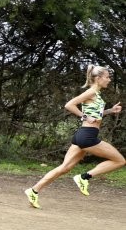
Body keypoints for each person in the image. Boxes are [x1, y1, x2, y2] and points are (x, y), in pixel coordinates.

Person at [25, 65, 123, 208]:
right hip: (88, 137)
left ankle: (34, 190)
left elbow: (94, 115)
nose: (109, 80)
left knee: (65, 168)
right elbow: (69, 104)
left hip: (82, 135)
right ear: (98, 78)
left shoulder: (96, 94)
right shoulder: (91, 92)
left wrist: (110, 110)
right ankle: (84, 177)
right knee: (120, 160)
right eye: (107, 77)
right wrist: (84, 116)